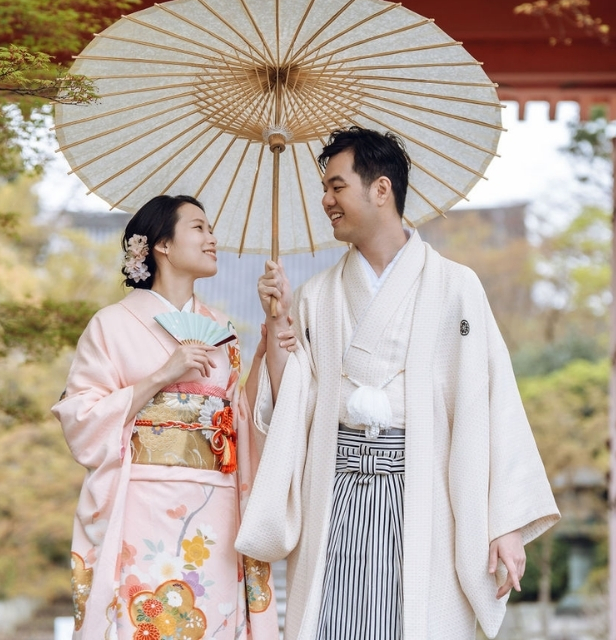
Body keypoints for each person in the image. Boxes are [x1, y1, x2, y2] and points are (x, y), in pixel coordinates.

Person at [234, 127, 560, 640]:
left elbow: (489, 401)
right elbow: (295, 399)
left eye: (336, 187)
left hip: (423, 490)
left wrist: (505, 524)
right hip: (335, 491)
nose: (326, 201)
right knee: (329, 622)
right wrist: (277, 322)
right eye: (325, 188)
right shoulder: (317, 296)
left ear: (380, 189)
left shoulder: (456, 287)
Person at [52, 195, 292, 640]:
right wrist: (163, 375)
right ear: (161, 244)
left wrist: (271, 330)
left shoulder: (221, 329)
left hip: (216, 506)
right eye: (199, 228)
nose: (212, 238)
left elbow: (243, 416)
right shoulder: (111, 324)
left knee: (214, 619)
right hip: (142, 501)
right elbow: (81, 414)